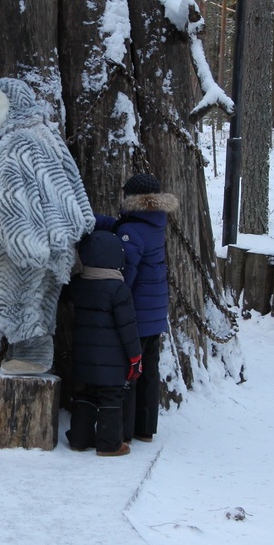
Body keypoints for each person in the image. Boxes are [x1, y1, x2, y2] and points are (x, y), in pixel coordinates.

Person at [0, 77, 94, 374]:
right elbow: (74, 186)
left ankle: (32, 354)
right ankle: (29, 353)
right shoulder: (46, 135)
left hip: (28, 239)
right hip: (56, 239)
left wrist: (21, 242)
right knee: (41, 298)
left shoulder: (14, 141)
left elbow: (12, 196)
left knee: (11, 298)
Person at [95, 172, 178, 442]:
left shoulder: (131, 231)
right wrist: (94, 220)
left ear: (133, 198)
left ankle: (125, 431)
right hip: (155, 312)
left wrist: (114, 299)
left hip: (137, 313)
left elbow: (126, 273)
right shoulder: (153, 222)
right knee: (149, 370)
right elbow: (122, 226)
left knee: (129, 370)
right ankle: (145, 427)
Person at [65, 230, 143, 457]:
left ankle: (79, 439)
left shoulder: (77, 284)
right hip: (112, 359)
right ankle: (109, 444)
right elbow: (128, 328)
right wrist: (136, 357)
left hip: (83, 355)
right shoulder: (119, 290)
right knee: (111, 396)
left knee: (85, 395)